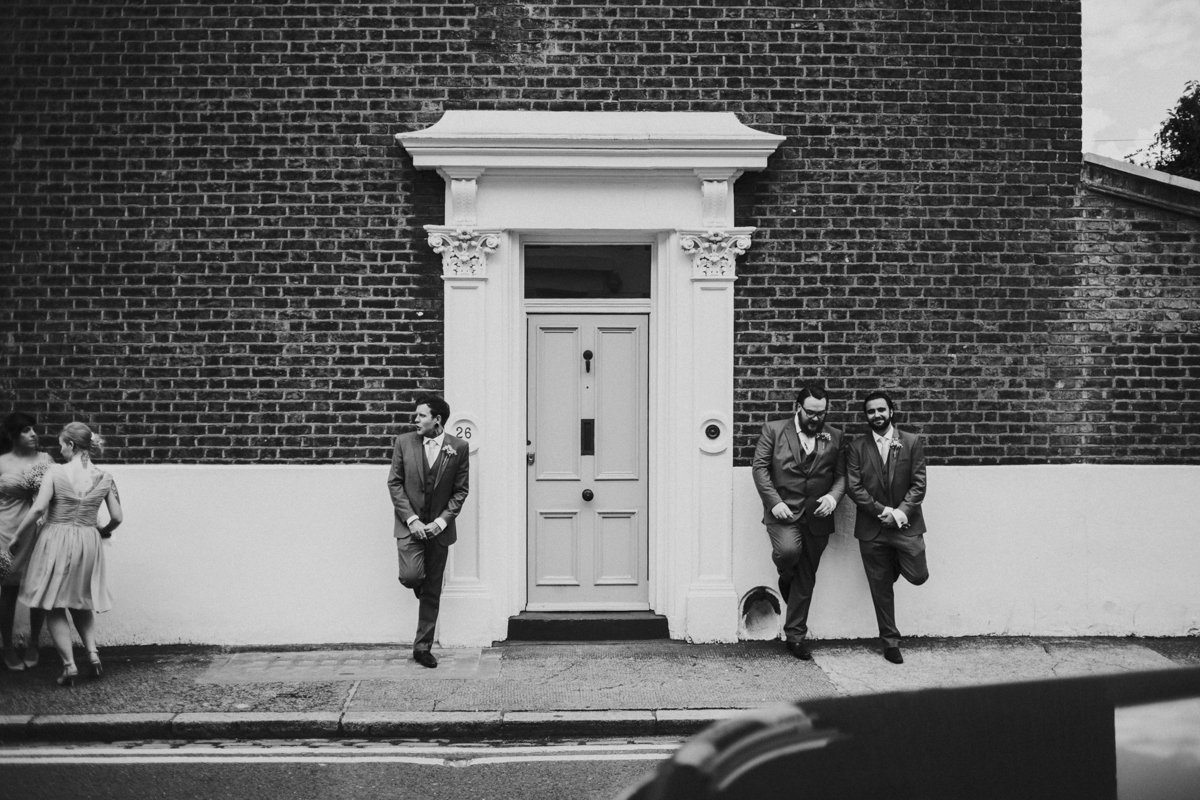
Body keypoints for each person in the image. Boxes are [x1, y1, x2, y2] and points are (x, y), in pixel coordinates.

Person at [12, 422, 123, 686]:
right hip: (88, 540)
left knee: (55, 604)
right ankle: (93, 655)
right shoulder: (104, 476)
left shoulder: (55, 472)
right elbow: (117, 517)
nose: (60, 450)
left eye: (62, 444)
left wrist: (17, 537)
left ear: (71, 445)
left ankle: (69, 665)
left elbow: (39, 509)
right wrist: (103, 530)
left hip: (57, 538)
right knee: (81, 600)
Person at [751, 384, 847, 660]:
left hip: (817, 516)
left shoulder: (835, 436)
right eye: (810, 413)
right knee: (788, 552)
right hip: (783, 513)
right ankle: (785, 576)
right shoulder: (774, 430)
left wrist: (833, 497)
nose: (816, 419)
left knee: (807, 577)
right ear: (798, 407)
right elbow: (760, 469)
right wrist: (775, 502)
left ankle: (795, 637)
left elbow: (841, 475)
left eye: (821, 413)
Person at [845, 391, 929, 664]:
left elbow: (919, 484)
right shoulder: (857, 447)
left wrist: (900, 513)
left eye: (881, 410)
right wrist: (881, 512)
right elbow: (854, 487)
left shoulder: (911, 442)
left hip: (906, 526)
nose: (877, 415)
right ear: (866, 416)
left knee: (918, 575)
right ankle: (890, 641)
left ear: (891, 411)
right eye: (871, 411)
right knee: (880, 588)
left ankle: (894, 561)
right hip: (873, 528)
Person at [386, 394, 469, 669]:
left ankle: (422, 648)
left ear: (437, 419)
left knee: (432, 591)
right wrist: (411, 520)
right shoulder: (404, 443)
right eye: (416, 415)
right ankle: (423, 585)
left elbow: (460, 491)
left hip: (439, 530)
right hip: (410, 527)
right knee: (411, 576)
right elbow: (395, 484)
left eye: (421, 415)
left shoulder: (458, 447)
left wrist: (441, 522)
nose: (415, 419)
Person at [0, 411, 52, 671]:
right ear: (12, 435)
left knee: (36, 590)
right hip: (6, 530)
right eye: (25, 430)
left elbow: (56, 496)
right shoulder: (1, 462)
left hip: (37, 531)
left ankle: (34, 644)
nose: (33, 434)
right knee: (8, 590)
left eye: (33, 429)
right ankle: (7, 648)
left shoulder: (45, 460)